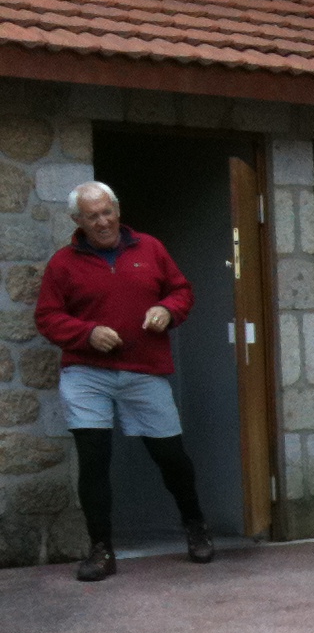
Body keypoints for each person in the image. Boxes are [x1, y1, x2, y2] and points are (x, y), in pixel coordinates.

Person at [33, 181, 212, 582]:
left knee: (171, 456)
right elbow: (47, 317)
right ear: (77, 221)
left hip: (144, 370)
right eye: (92, 216)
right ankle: (101, 549)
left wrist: (168, 310)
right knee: (94, 461)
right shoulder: (63, 263)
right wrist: (87, 334)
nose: (102, 222)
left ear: (117, 209)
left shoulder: (151, 248)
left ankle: (195, 523)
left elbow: (181, 291)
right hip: (86, 373)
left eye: (107, 212)